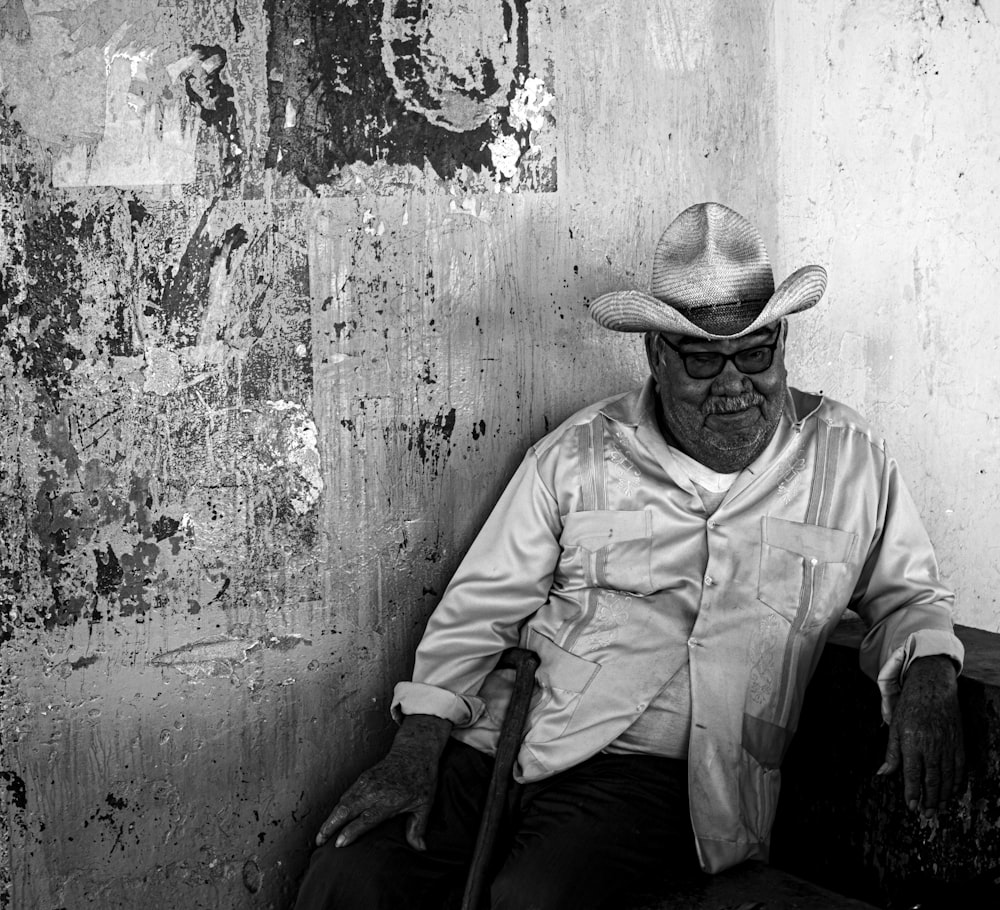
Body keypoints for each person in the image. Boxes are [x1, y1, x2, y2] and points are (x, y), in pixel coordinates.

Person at [294, 202, 965, 909]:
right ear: (655, 354)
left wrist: (928, 670)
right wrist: (419, 743)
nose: (734, 384)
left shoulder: (851, 458)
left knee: (541, 898)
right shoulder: (579, 453)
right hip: (501, 738)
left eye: (755, 352)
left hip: (660, 776)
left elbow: (910, 595)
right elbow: (478, 610)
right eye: (704, 358)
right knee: (353, 878)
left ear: (783, 340)